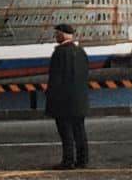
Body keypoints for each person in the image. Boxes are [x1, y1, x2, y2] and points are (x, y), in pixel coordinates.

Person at [46, 23, 90, 169]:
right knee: (80, 130)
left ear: (63, 35)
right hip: (80, 99)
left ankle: (68, 160)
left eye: (56, 34)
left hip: (63, 101)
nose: (55, 36)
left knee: (66, 132)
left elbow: (55, 79)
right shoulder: (81, 52)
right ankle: (83, 160)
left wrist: (51, 98)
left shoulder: (59, 53)